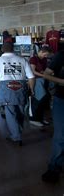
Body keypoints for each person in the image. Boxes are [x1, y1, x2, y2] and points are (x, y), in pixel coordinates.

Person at [0, 42, 35, 146]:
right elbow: (31, 77)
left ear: (2, 49)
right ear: (13, 49)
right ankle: (17, 132)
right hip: (21, 88)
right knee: (21, 111)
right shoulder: (22, 60)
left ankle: (16, 136)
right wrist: (31, 89)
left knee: (10, 112)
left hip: (6, 89)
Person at [41, 50, 64, 183]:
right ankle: (54, 167)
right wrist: (62, 81)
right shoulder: (61, 55)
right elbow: (46, 74)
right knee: (60, 136)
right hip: (62, 100)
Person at [29, 46, 53, 127]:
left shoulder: (44, 59)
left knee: (43, 101)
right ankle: (34, 119)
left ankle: (40, 118)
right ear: (41, 52)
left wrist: (47, 74)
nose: (46, 57)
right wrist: (44, 76)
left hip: (42, 81)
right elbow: (33, 71)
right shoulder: (33, 59)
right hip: (36, 81)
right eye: (45, 55)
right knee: (37, 100)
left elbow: (42, 70)